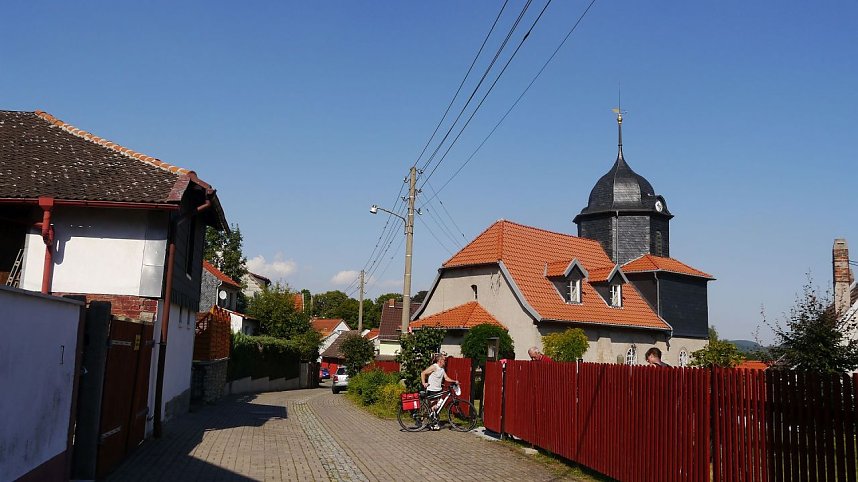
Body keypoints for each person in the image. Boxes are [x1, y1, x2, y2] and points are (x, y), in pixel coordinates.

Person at [421, 353, 458, 430]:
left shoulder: (442, 369)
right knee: (434, 407)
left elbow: (446, 378)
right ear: (440, 361)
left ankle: (429, 420)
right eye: (444, 360)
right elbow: (423, 373)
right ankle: (429, 422)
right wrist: (424, 383)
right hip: (432, 389)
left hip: (438, 390)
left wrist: (454, 381)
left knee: (436, 407)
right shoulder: (434, 367)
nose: (445, 362)